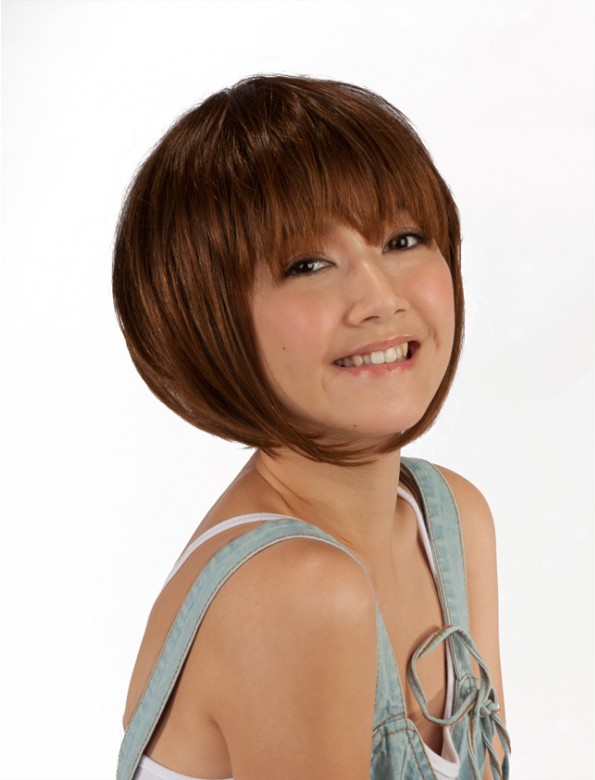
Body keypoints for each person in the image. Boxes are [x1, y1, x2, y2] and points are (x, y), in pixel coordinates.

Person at [113, 75, 510, 780]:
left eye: (403, 239)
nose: (379, 299)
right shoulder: (294, 592)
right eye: (308, 264)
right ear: (209, 320)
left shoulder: (449, 519)